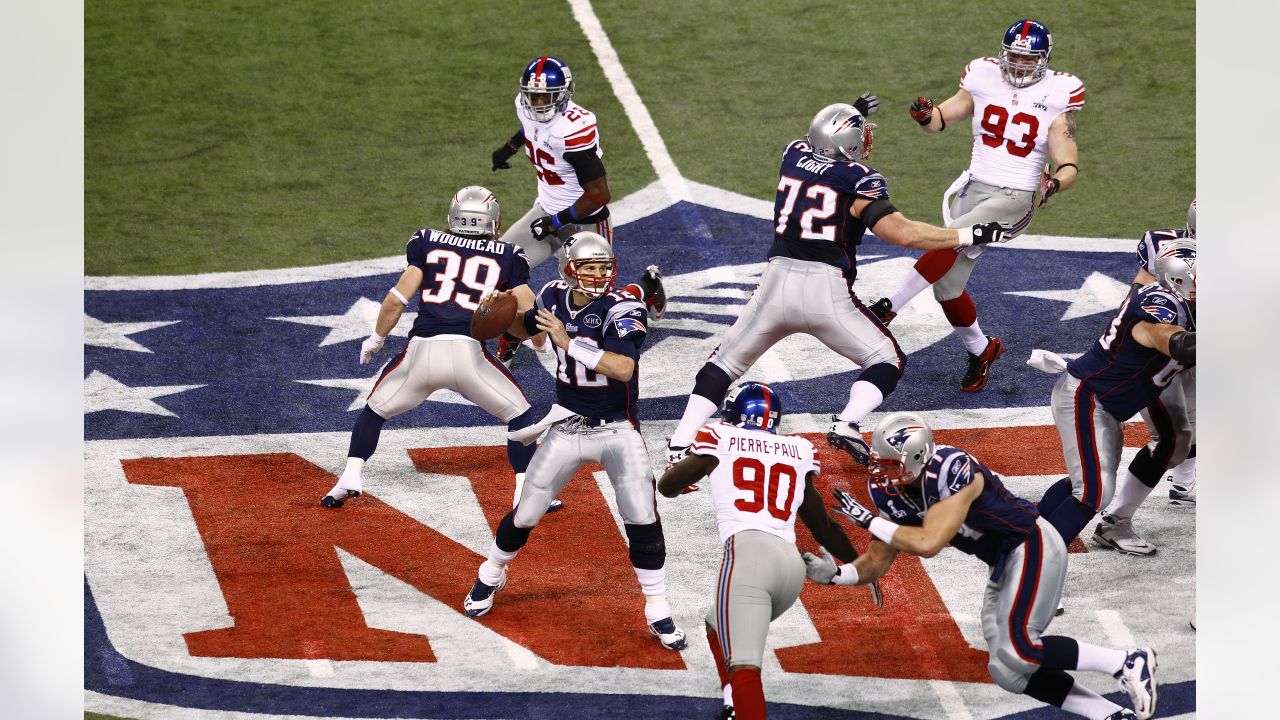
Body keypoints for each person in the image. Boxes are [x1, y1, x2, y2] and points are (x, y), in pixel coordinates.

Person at [665, 100, 1010, 475]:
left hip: (775, 283)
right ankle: (846, 422)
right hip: (825, 290)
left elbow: (818, 148)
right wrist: (968, 232)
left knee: (725, 364)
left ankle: (680, 442)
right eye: (859, 134)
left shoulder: (793, 153)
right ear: (849, 142)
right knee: (886, 359)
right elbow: (904, 233)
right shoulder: (862, 179)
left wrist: (846, 116)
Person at [813, 412, 1158, 720]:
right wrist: (839, 576)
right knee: (1008, 671)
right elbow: (877, 560)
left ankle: (1126, 661)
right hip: (1002, 562)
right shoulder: (888, 490)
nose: (880, 472)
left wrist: (869, 521)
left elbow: (929, 542)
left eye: (890, 464)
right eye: (879, 462)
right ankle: (1109, 714)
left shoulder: (953, 468)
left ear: (918, 456)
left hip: (1030, 542)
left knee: (1019, 648)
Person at [461, 231, 686, 651]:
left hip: (617, 427)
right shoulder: (551, 295)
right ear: (569, 270)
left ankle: (657, 607)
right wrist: (495, 315)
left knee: (641, 516)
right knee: (526, 512)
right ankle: (490, 574)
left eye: (604, 268)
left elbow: (621, 368)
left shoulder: (623, 308)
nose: (599, 276)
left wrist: (568, 343)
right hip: (567, 425)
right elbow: (524, 327)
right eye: (590, 268)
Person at [869, 18, 1085, 392]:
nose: (1019, 65)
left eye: (1028, 59)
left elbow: (1066, 155)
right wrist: (925, 115)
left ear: (1044, 60)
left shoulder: (1059, 92)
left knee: (948, 239)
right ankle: (982, 349)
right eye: (1014, 57)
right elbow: (941, 119)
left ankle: (888, 307)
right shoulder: (982, 75)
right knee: (947, 288)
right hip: (974, 187)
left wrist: (1056, 182)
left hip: (1013, 198)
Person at [658, 381, 881, 720]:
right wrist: (860, 566)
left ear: (733, 413)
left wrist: (683, 468)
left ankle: (741, 705)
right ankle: (733, 704)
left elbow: (668, 487)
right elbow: (823, 527)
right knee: (716, 624)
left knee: (746, 668)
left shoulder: (718, 436)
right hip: (790, 568)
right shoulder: (798, 449)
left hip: (749, 559)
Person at [321, 186, 554, 511]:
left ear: (453, 217)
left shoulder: (427, 241)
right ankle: (525, 492)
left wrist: (377, 338)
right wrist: (535, 336)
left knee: (375, 411)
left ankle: (349, 476)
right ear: (493, 221)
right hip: (468, 355)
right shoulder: (509, 255)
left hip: (422, 353)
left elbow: (397, 299)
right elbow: (528, 318)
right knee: (521, 415)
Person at [489, 55, 666, 364]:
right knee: (500, 269)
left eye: (547, 97)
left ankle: (646, 287)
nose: (539, 103)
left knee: (593, 302)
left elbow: (599, 194)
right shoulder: (526, 107)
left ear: (564, 95)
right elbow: (529, 129)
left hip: (584, 222)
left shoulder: (572, 130)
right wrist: (510, 148)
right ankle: (513, 332)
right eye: (534, 96)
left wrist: (556, 222)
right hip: (546, 211)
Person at [1036, 240, 1196, 550]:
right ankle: (1029, 561)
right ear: (1180, 280)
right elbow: (1174, 342)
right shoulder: (1162, 306)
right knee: (1092, 492)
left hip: (1113, 401)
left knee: (1094, 479)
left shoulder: (1188, 301)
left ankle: (1029, 531)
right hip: (1087, 397)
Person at [1127, 199, 1197, 508]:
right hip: (1166, 347)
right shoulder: (1164, 246)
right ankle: (1117, 512)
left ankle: (1184, 483)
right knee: (1173, 433)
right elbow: (1136, 295)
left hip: (1189, 344)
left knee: (1194, 418)